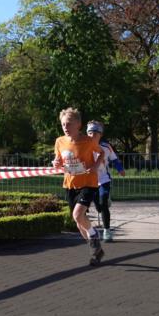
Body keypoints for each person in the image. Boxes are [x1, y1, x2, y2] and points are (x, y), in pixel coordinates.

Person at [52, 107, 106, 266]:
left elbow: (101, 153)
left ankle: (94, 238)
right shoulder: (59, 141)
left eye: (69, 124)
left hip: (88, 182)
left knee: (77, 215)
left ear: (78, 125)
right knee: (78, 222)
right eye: (63, 124)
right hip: (70, 184)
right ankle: (96, 250)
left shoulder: (89, 141)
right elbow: (58, 160)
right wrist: (55, 163)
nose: (65, 128)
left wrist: (96, 166)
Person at [86, 120, 124, 242]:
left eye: (95, 133)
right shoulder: (83, 147)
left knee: (103, 203)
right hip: (90, 181)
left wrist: (120, 169)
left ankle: (107, 231)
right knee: (98, 207)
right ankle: (104, 203)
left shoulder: (106, 147)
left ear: (100, 135)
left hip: (104, 179)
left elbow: (115, 160)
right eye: (90, 133)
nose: (92, 136)